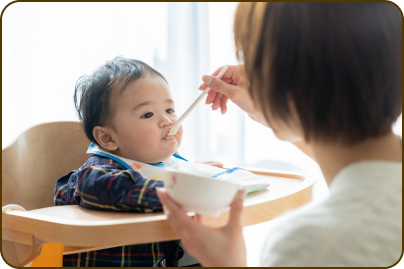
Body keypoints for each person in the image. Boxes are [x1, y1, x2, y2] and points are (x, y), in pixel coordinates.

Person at [157, 2, 402, 267]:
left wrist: (227, 263)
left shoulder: (311, 245)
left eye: (255, 63)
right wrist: (276, 112)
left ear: (287, 85)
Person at [54, 56, 221, 267]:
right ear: (108, 138)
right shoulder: (96, 175)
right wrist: (181, 190)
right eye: (148, 114)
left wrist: (195, 171)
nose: (168, 121)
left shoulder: (164, 162)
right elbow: (108, 187)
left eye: (169, 110)